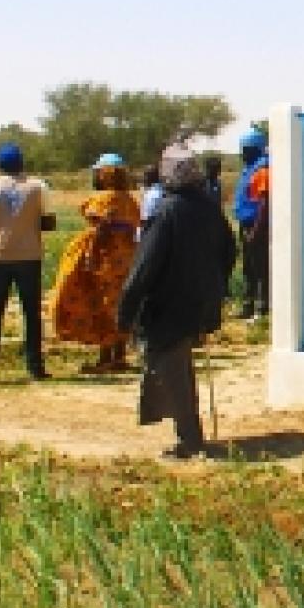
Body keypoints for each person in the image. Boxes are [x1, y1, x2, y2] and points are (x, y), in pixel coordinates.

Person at [118, 144, 236, 459]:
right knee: (180, 363)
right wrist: (215, 285)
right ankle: (189, 430)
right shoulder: (209, 207)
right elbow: (229, 250)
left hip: (169, 305)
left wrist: (126, 309)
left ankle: (191, 439)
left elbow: (144, 268)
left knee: (168, 366)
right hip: (201, 300)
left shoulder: (166, 212)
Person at [0, 141, 55, 383]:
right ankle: (35, 367)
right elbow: (49, 222)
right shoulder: (38, 187)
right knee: (31, 313)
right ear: (21, 163)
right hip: (29, 255)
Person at [50, 152, 140, 373]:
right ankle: (119, 355)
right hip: (126, 258)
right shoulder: (130, 200)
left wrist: (89, 256)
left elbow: (100, 229)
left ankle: (106, 357)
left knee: (102, 303)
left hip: (106, 259)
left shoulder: (102, 200)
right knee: (119, 303)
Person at [233, 129, 270, 319]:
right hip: (247, 223)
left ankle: (263, 306)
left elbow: (265, 203)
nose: (242, 154)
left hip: (257, 226)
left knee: (260, 266)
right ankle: (249, 304)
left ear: (256, 150)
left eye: (246, 150)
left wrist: (256, 230)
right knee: (249, 266)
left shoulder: (262, 170)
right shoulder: (250, 169)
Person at [137, 164, 165, 237]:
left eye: (145, 176)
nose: (143, 179)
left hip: (150, 234)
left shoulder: (152, 195)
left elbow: (146, 219)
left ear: (150, 177)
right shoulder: (163, 190)